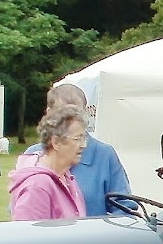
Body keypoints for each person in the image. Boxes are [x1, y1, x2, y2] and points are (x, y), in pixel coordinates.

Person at [19, 81, 131, 216]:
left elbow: (125, 210)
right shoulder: (34, 163)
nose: (74, 121)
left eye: (78, 115)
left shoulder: (104, 155)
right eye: (65, 117)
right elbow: (25, 223)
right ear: (49, 114)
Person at [8, 106, 88, 221]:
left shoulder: (66, 177)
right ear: (56, 142)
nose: (83, 145)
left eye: (83, 138)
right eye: (77, 139)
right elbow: (27, 236)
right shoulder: (37, 186)